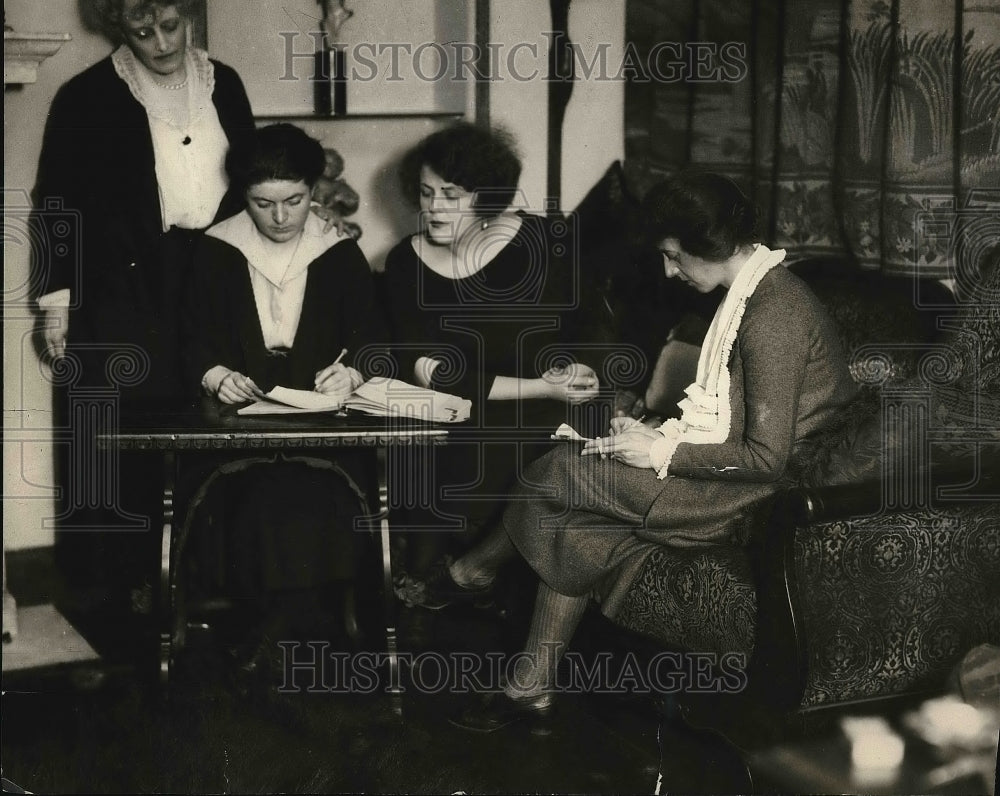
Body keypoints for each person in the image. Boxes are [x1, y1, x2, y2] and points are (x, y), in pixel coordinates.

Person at [417, 169, 858, 731]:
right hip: (736, 476)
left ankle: (469, 574)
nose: (669, 271)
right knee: (571, 518)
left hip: (760, 498)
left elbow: (766, 459)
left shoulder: (774, 314)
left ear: (708, 245)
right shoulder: (755, 293)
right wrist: (655, 432)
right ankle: (530, 689)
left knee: (556, 470)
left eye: (673, 256)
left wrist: (660, 453)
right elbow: (732, 420)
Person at [32, 0, 255, 609]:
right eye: (142, 31)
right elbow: (56, 202)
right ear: (118, 29)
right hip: (121, 285)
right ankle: (120, 588)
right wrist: (55, 302)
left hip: (210, 273)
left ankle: (201, 577)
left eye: (170, 25)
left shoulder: (226, 83)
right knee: (120, 435)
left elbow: (251, 180)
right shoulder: (86, 96)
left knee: (209, 420)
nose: (161, 43)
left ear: (189, 12)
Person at [185, 123, 386, 679]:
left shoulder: (338, 250)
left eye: (294, 201)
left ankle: (300, 624)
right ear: (243, 196)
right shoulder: (216, 248)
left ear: (314, 190)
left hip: (320, 417)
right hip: (238, 418)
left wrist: (352, 371)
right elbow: (190, 335)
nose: (279, 218)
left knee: (318, 492)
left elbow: (374, 336)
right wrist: (215, 374)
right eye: (263, 203)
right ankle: (272, 625)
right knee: (255, 494)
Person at [381, 122, 603, 597]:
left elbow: (594, 323)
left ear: (487, 197)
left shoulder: (545, 239)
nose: (433, 208)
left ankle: (472, 576)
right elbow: (429, 371)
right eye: (426, 193)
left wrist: (583, 369)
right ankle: (450, 580)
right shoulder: (404, 262)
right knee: (446, 447)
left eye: (451, 195)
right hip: (461, 410)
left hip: (552, 411)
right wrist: (543, 386)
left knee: (552, 450)